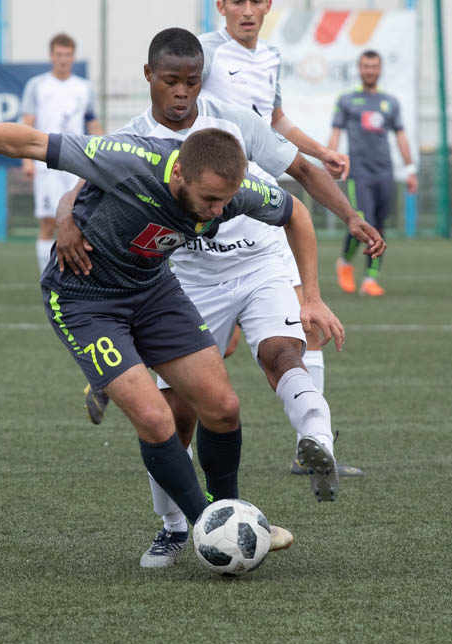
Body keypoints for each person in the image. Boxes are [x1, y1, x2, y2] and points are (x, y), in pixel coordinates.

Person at [0, 84, 345, 562]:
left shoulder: (232, 193)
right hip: (84, 301)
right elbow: (34, 142)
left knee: (223, 407)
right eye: (209, 199)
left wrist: (312, 296)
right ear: (179, 173)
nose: (218, 212)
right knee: (157, 418)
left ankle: (231, 517)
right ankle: (207, 527)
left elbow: (295, 213)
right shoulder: (129, 159)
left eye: (225, 202)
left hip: (153, 291)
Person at [56, 29, 384, 568]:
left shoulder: (234, 120)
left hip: (258, 260)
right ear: (151, 78)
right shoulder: (134, 137)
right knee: (175, 414)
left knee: (273, 361)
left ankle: (298, 453)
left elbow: (301, 172)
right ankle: (172, 526)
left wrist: (348, 218)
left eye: (192, 81)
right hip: (187, 276)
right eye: (173, 81)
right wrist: (65, 219)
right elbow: (81, 179)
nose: (182, 92)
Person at [198, 0, 366, 480]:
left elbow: (274, 120)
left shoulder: (270, 56)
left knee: (305, 322)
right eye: (237, 1)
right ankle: (122, 376)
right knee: (211, 349)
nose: (247, 11)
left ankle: (310, 445)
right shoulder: (204, 53)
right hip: (214, 209)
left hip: (263, 208)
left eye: (256, 1)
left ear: (268, 5)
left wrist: (320, 151)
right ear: (221, 6)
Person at [329, 49, 418, 297]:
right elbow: (335, 132)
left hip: (384, 173)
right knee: (362, 222)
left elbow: (401, 136)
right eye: (366, 67)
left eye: (374, 67)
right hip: (359, 173)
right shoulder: (347, 100)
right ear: (360, 69)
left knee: (379, 225)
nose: (370, 71)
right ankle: (344, 262)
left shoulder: (391, 102)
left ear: (380, 69)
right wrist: (331, 158)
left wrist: (410, 169)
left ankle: (370, 278)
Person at [19, 33, 103, 274]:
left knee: (80, 221)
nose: (63, 59)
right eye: (59, 54)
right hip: (46, 163)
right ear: (51, 56)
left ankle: (77, 276)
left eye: (67, 55)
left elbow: (93, 124)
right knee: (48, 222)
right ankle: (47, 276)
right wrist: (26, 161)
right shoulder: (37, 86)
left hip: (76, 164)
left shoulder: (84, 88)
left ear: (73, 57)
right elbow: (27, 124)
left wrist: (103, 154)